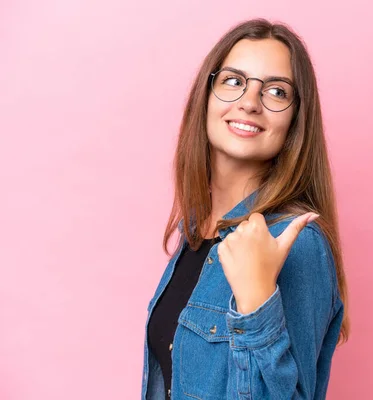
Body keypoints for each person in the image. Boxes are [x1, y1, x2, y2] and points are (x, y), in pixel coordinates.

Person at [141, 18, 349, 400]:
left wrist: (256, 302)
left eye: (276, 91)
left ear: (295, 120)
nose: (250, 103)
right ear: (207, 95)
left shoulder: (297, 244)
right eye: (234, 81)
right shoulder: (196, 229)